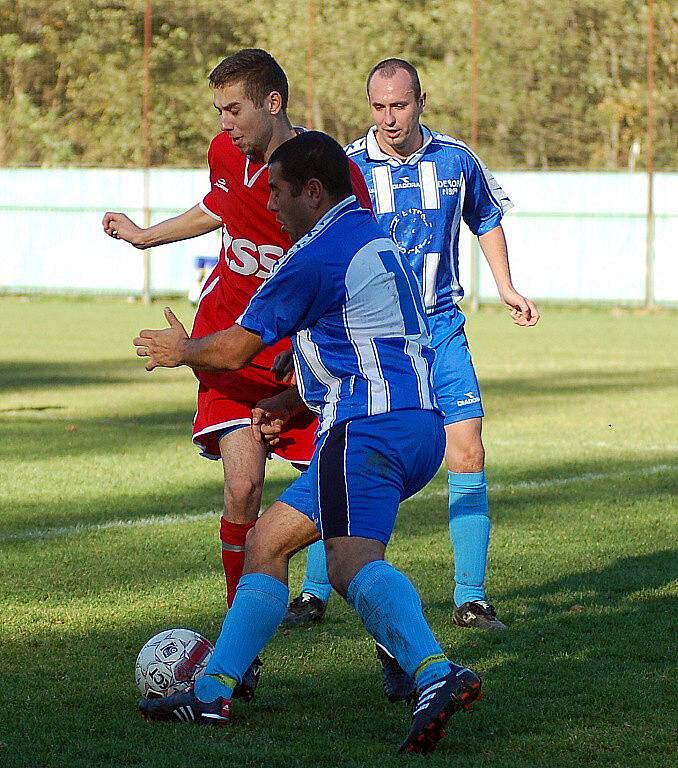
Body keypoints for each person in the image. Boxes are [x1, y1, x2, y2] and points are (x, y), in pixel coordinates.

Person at [133, 132, 483, 755]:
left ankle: (434, 671)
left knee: (350, 567)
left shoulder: (315, 255)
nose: (269, 205)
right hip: (414, 424)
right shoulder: (373, 236)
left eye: (277, 192)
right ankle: (213, 689)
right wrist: (293, 401)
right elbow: (369, 342)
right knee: (268, 540)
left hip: (366, 429)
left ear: (312, 191)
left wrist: (182, 349)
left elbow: (238, 345)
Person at [102, 50, 370, 697]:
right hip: (226, 345)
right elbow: (216, 207)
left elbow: (356, 258)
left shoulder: (326, 176)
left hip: (295, 362)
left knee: (344, 517)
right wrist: (145, 238)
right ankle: (237, 653)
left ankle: (397, 651)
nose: (225, 124)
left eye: (234, 109)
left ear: (272, 103)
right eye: (219, 110)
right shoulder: (228, 155)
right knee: (243, 488)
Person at [284, 57, 540, 694]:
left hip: (440, 325)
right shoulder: (346, 165)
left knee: (468, 445)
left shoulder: (457, 161)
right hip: (367, 336)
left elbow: (486, 219)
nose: (388, 119)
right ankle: (315, 592)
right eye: (378, 107)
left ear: (420, 101)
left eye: (399, 106)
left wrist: (505, 287)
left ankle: (471, 598)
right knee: (337, 448)